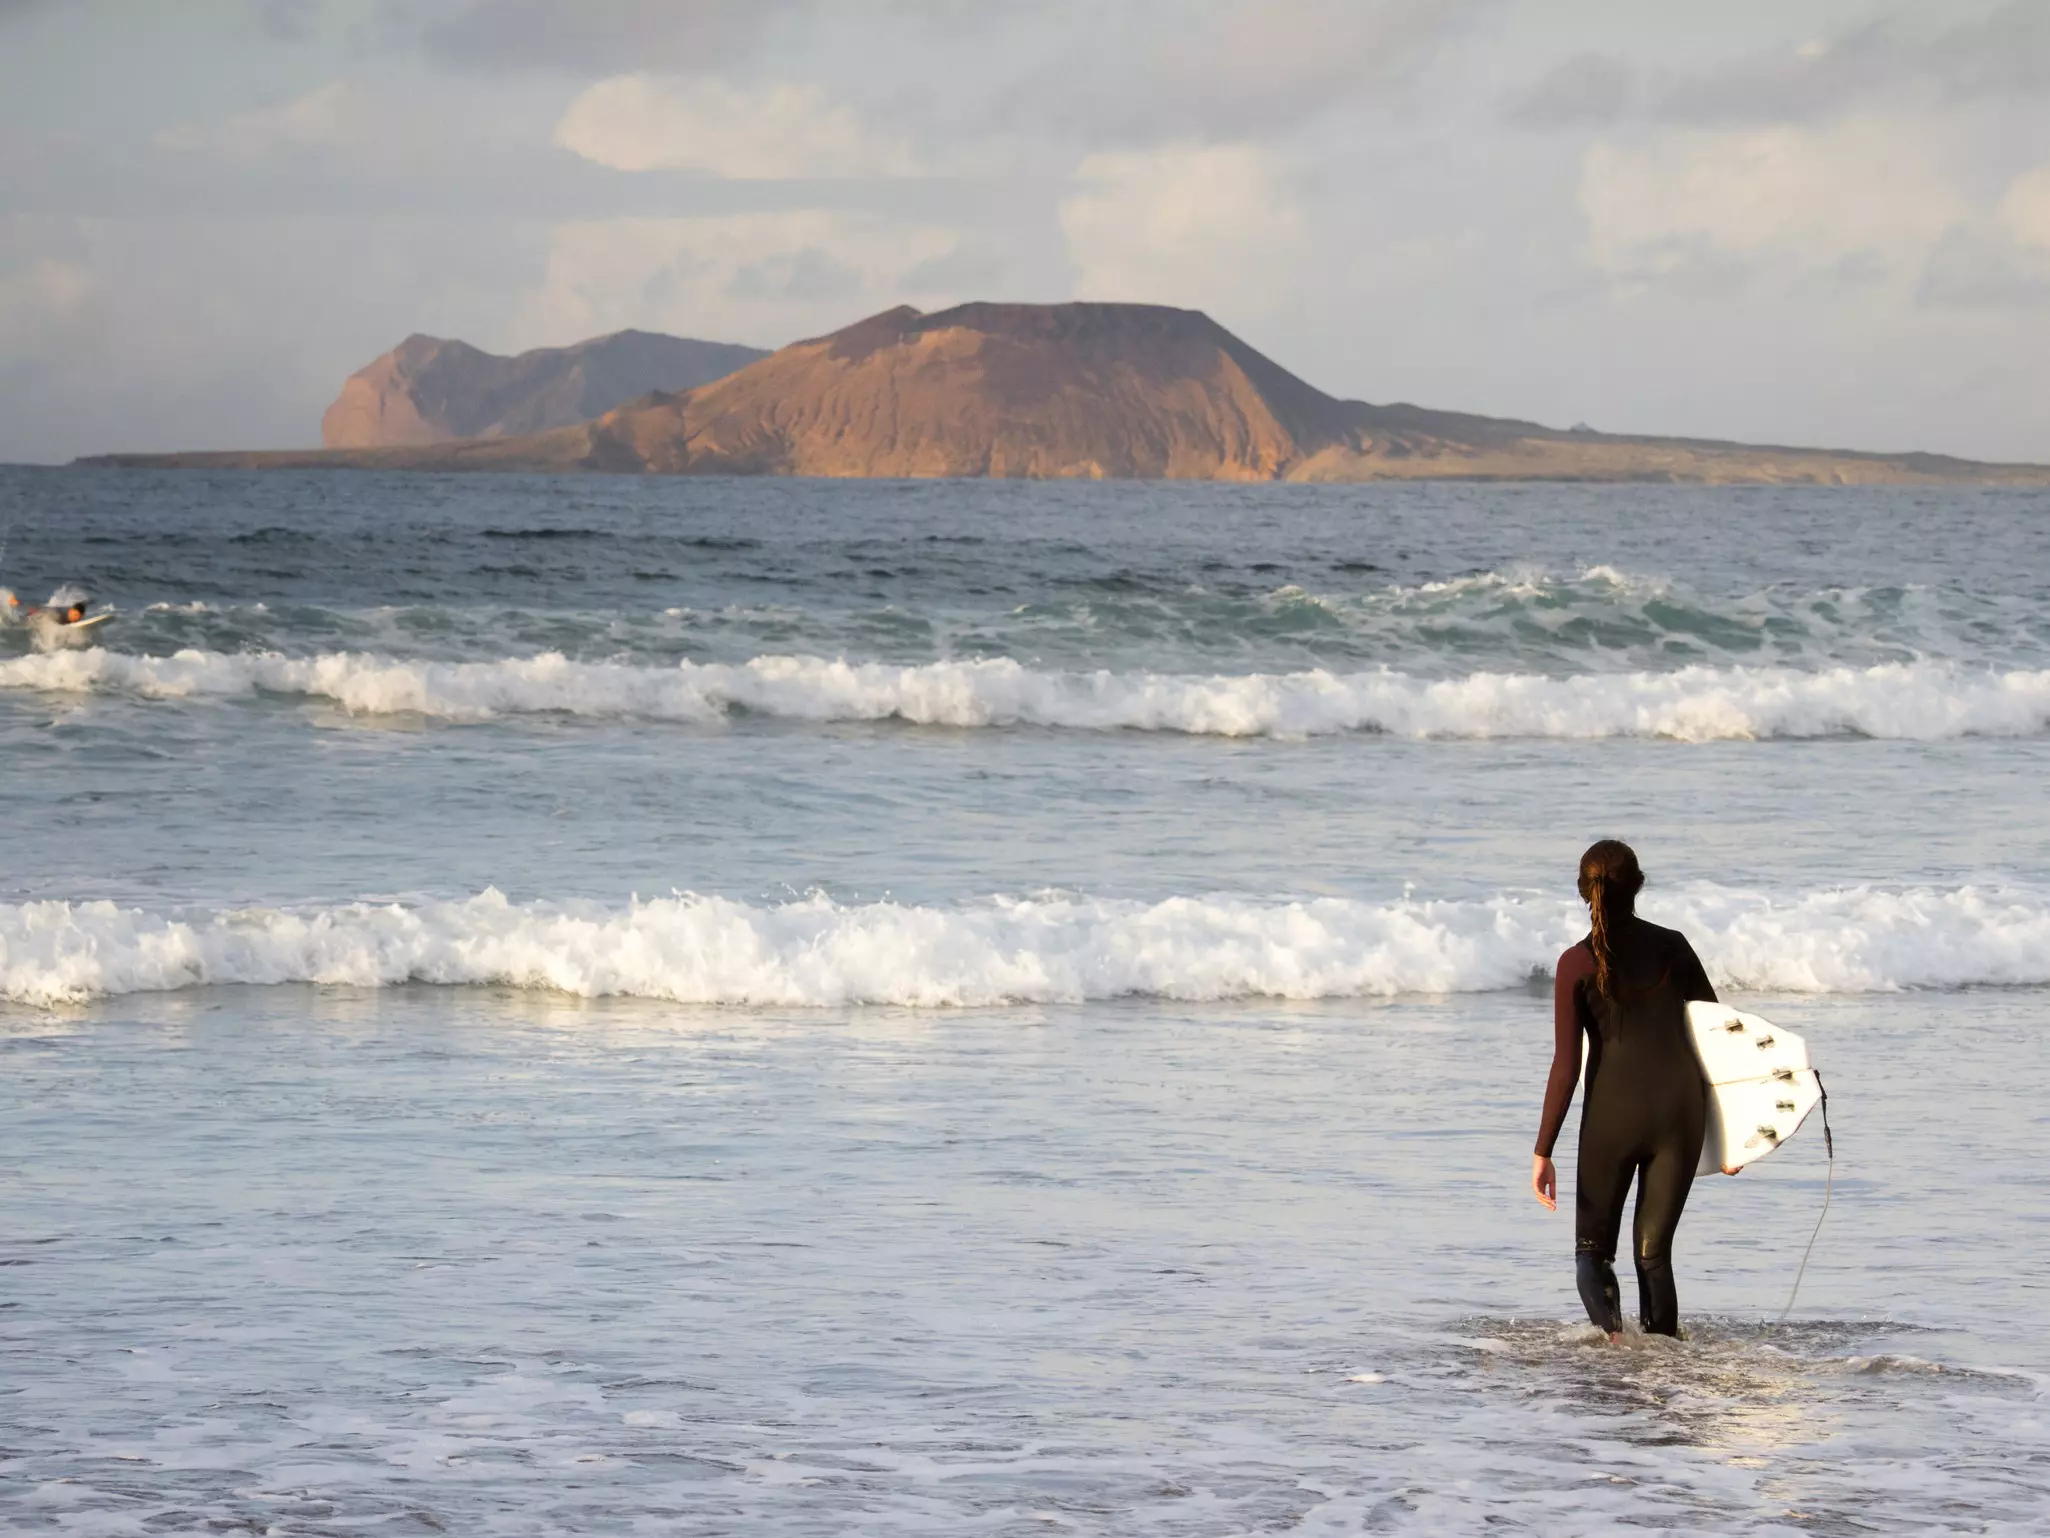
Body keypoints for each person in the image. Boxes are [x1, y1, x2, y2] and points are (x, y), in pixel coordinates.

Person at [1530, 839, 1723, 1339]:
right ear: (1638, 885)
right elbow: (1719, 1036)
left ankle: (1617, 1350)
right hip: (1680, 1117)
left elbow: (1567, 1065)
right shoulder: (1674, 945)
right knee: (1653, 1255)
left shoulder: (1576, 962)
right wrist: (1735, 1133)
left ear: (1583, 892)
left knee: (1592, 1257)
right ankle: (1666, 1367)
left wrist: (1543, 1150)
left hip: (1610, 1122)